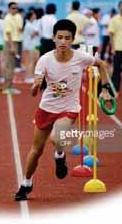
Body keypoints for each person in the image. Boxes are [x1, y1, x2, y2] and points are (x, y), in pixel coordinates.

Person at [14, 19, 112, 201]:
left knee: (57, 136)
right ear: (53, 38)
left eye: (67, 38)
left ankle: (59, 155)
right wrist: (35, 86)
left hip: (69, 108)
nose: (63, 42)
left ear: (73, 39)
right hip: (46, 108)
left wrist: (105, 89)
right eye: (60, 38)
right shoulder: (45, 60)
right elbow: (33, 93)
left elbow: (102, 65)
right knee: (36, 150)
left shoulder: (81, 57)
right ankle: (26, 183)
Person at [37, 3, 58, 90]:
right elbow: (56, 32)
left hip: (44, 41)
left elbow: (38, 30)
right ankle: (51, 84)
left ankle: (42, 85)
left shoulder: (42, 19)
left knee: (43, 63)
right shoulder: (54, 19)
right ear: (54, 10)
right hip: (51, 42)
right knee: (52, 64)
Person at [2, 2, 21, 94]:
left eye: (16, 8)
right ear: (9, 9)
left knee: (12, 65)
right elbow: (8, 33)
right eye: (13, 8)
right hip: (10, 43)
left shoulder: (14, 18)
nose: (15, 9)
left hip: (14, 42)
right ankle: (7, 87)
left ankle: (10, 86)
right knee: (9, 65)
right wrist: (12, 46)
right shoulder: (8, 19)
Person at [23, 11, 40, 83]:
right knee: (30, 62)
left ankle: (30, 76)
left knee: (31, 61)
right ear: (31, 16)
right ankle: (29, 77)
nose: (35, 16)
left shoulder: (30, 24)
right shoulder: (29, 25)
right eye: (34, 15)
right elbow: (33, 34)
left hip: (29, 45)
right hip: (30, 45)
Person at [14, 8, 25, 72]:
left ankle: (17, 65)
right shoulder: (19, 17)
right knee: (18, 53)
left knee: (16, 53)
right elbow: (20, 28)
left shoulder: (14, 17)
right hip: (18, 38)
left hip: (15, 38)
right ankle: (17, 66)